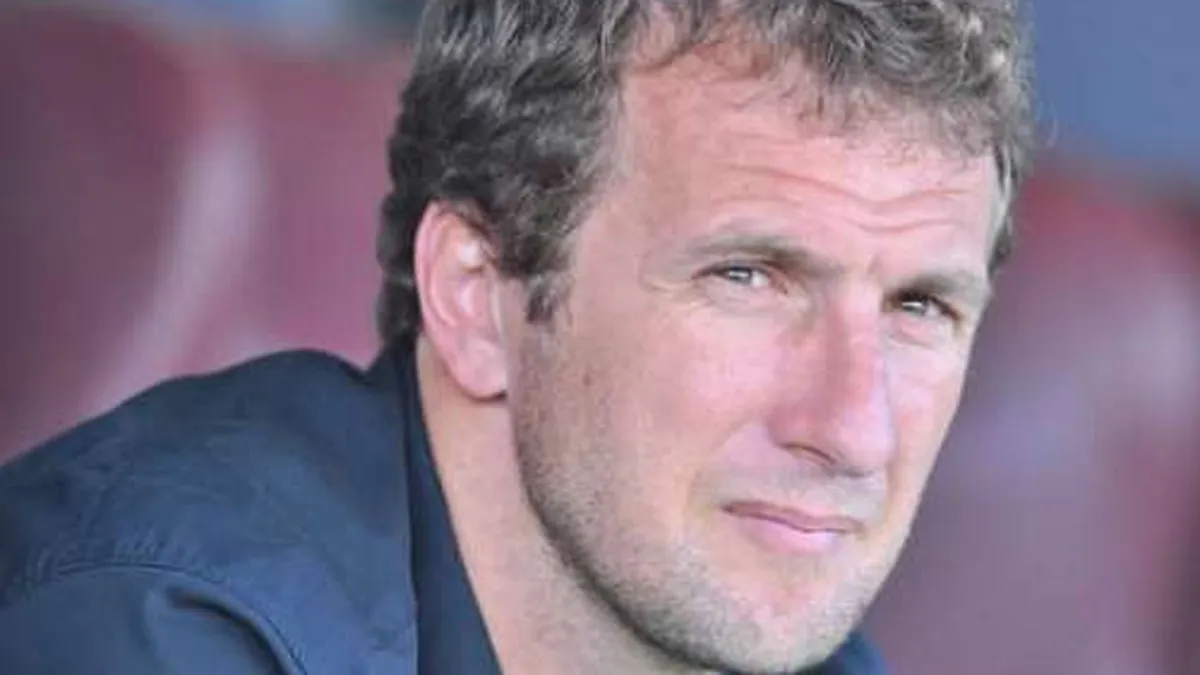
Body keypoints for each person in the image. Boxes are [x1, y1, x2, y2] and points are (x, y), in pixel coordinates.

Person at [0, 0, 1033, 673]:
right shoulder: (155, 628)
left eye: (920, 307)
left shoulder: (788, 643)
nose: (853, 431)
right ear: (475, 296)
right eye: (746, 277)